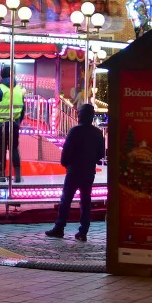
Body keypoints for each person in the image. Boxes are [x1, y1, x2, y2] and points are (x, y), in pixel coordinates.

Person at [46, 103, 105, 241]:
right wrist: (91, 160)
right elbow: (101, 153)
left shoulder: (75, 131)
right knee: (85, 201)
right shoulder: (97, 133)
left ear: (81, 115)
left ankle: (59, 227)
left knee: (66, 200)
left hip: (74, 171)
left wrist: (66, 163)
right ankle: (83, 231)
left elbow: (66, 151)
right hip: (89, 171)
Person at [0, 66, 25, 181]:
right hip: (14, 124)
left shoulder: (0, 89)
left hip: (1, 124)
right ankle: (18, 175)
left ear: (2, 76)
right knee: (14, 148)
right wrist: (18, 121)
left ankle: (1, 174)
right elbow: (23, 109)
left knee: (1, 149)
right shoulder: (19, 89)